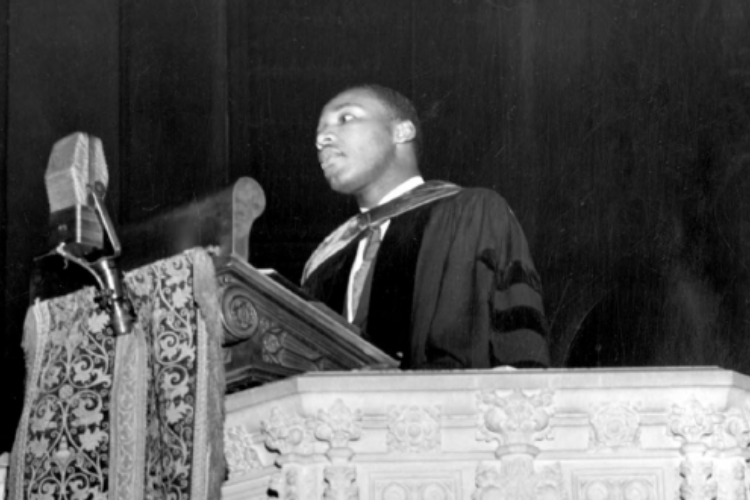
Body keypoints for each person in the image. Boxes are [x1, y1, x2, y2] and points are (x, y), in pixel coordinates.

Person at [302, 84, 549, 370]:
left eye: (345, 118)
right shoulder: (325, 261)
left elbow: (519, 351)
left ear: (402, 132)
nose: (322, 139)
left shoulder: (471, 214)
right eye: (319, 130)